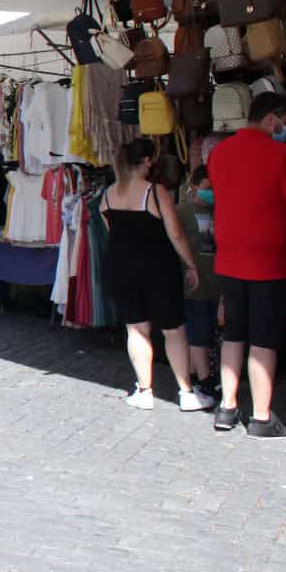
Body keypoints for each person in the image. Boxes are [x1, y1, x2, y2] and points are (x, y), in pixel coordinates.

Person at [206, 92, 286, 438]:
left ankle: (227, 408)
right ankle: (262, 417)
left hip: (230, 259)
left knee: (234, 333)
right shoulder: (284, 156)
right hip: (269, 261)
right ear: (271, 119)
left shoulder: (219, 153)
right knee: (265, 339)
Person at [100, 138, 215, 413]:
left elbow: (110, 230)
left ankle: (144, 389)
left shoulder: (108, 194)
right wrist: (191, 264)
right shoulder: (155, 192)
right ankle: (186, 392)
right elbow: (175, 234)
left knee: (136, 329)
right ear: (149, 161)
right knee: (173, 330)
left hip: (119, 266)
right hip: (156, 267)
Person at [175, 166, 220, 397]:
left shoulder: (219, 210)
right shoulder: (181, 211)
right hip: (194, 283)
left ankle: (198, 375)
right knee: (198, 332)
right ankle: (205, 380)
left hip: (217, 282)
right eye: (208, 188)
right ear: (194, 186)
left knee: (208, 331)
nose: (212, 192)